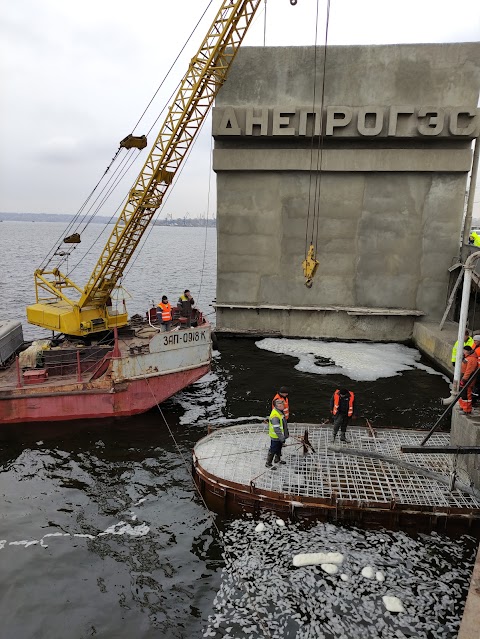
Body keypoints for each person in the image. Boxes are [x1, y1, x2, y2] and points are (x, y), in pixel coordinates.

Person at [265, 398, 289, 468]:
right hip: (276, 437)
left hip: (280, 436)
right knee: (273, 449)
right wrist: (282, 438)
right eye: (282, 405)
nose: (284, 406)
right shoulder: (275, 416)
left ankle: (277, 459)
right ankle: (268, 463)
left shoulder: (280, 412)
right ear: (278, 406)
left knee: (279, 448)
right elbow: (277, 429)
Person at [459, 345, 478, 414]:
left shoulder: (471, 359)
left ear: (467, 351)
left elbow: (469, 371)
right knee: (463, 393)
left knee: (467, 394)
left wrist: (464, 380)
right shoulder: (468, 358)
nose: (463, 352)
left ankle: (467, 409)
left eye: (464, 351)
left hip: (467, 379)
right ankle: (463, 407)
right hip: (465, 378)